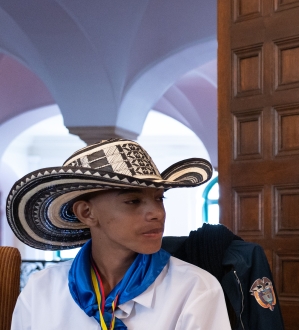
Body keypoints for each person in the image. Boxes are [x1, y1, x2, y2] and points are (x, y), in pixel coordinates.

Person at [9, 139, 231, 330]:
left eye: (159, 198)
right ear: (87, 213)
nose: (156, 213)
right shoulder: (41, 289)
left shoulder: (194, 289)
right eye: (133, 201)